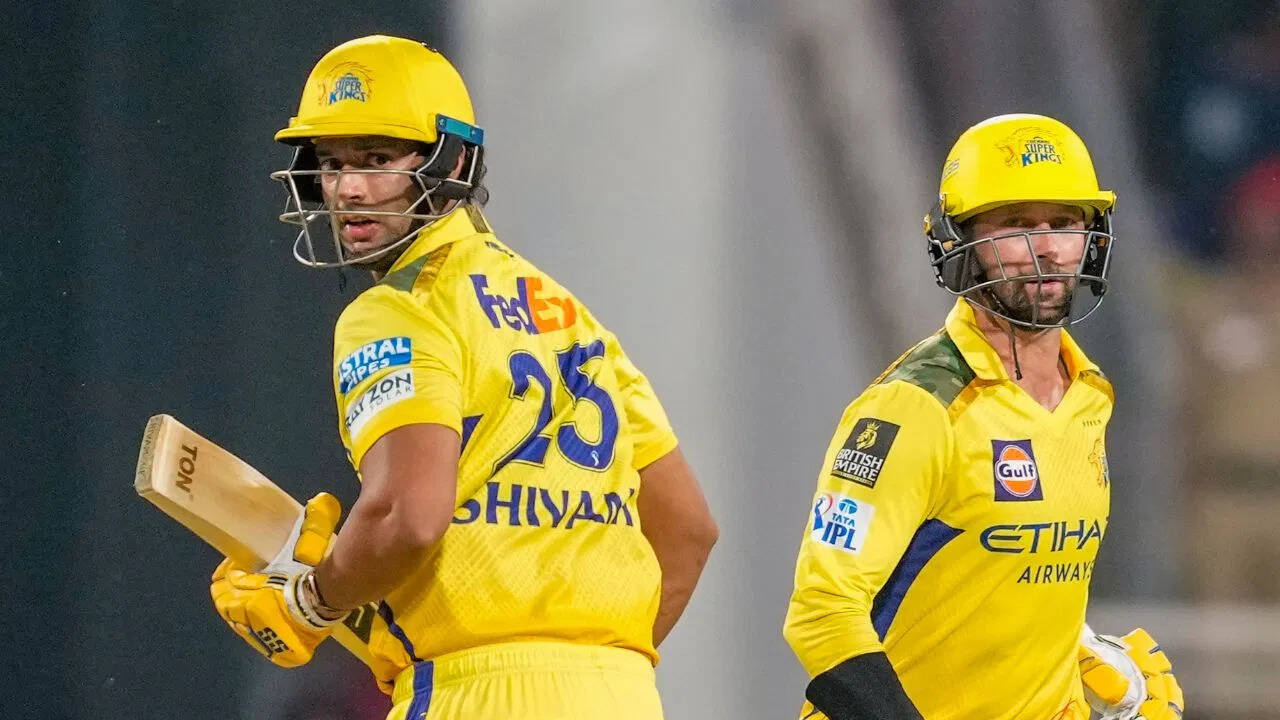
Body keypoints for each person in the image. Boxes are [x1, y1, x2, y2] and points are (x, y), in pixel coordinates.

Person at [208, 35, 718, 719]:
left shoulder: (397, 310)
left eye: (378, 159)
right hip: (621, 696)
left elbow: (408, 516)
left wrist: (312, 600)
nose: (349, 189)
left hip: (474, 696)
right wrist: (586, 664)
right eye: (332, 163)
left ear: (451, 162)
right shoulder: (575, 320)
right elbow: (688, 530)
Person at [782, 114, 1183, 720]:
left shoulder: (1089, 395)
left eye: (1064, 223)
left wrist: (1074, 652)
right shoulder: (914, 406)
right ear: (959, 242)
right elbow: (821, 612)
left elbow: (998, 574)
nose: (1046, 248)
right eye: (1017, 224)